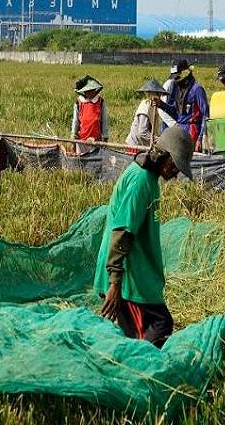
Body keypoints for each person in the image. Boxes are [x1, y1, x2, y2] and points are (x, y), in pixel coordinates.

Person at [96, 127, 194, 346]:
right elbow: (122, 232)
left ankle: (133, 371)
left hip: (139, 278)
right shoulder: (140, 182)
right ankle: (133, 374)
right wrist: (115, 283)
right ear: (164, 155)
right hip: (128, 281)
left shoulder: (150, 178)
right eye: (175, 165)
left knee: (144, 335)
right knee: (158, 327)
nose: (176, 173)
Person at [168, 59, 209, 150]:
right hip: (180, 131)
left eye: (177, 77)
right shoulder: (179, 91)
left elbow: (206, 115)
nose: (175, 80)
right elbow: (175, 112)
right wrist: (160, 104)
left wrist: (200, 138)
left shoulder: (197, 90)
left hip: (192, 132)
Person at [125, 78, 176, 147]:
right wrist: (159, 140)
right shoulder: (145, 106)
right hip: (135, 145)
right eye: (156, 94)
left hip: (144, 144)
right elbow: (142, 132)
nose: (158, 97)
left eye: (159, 95)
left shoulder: (155, 107)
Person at [71, 76, 108, 144]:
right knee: (81, 154)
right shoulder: (79, 102)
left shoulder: (100, 102)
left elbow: (104, 120)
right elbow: (75, 120)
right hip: (81, 138)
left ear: (95, 90)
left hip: (96, 139)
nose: (91, 93)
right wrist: (74, 134)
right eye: (88, 91)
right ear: (84, 92)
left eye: (92, 90)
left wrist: (105, 136)